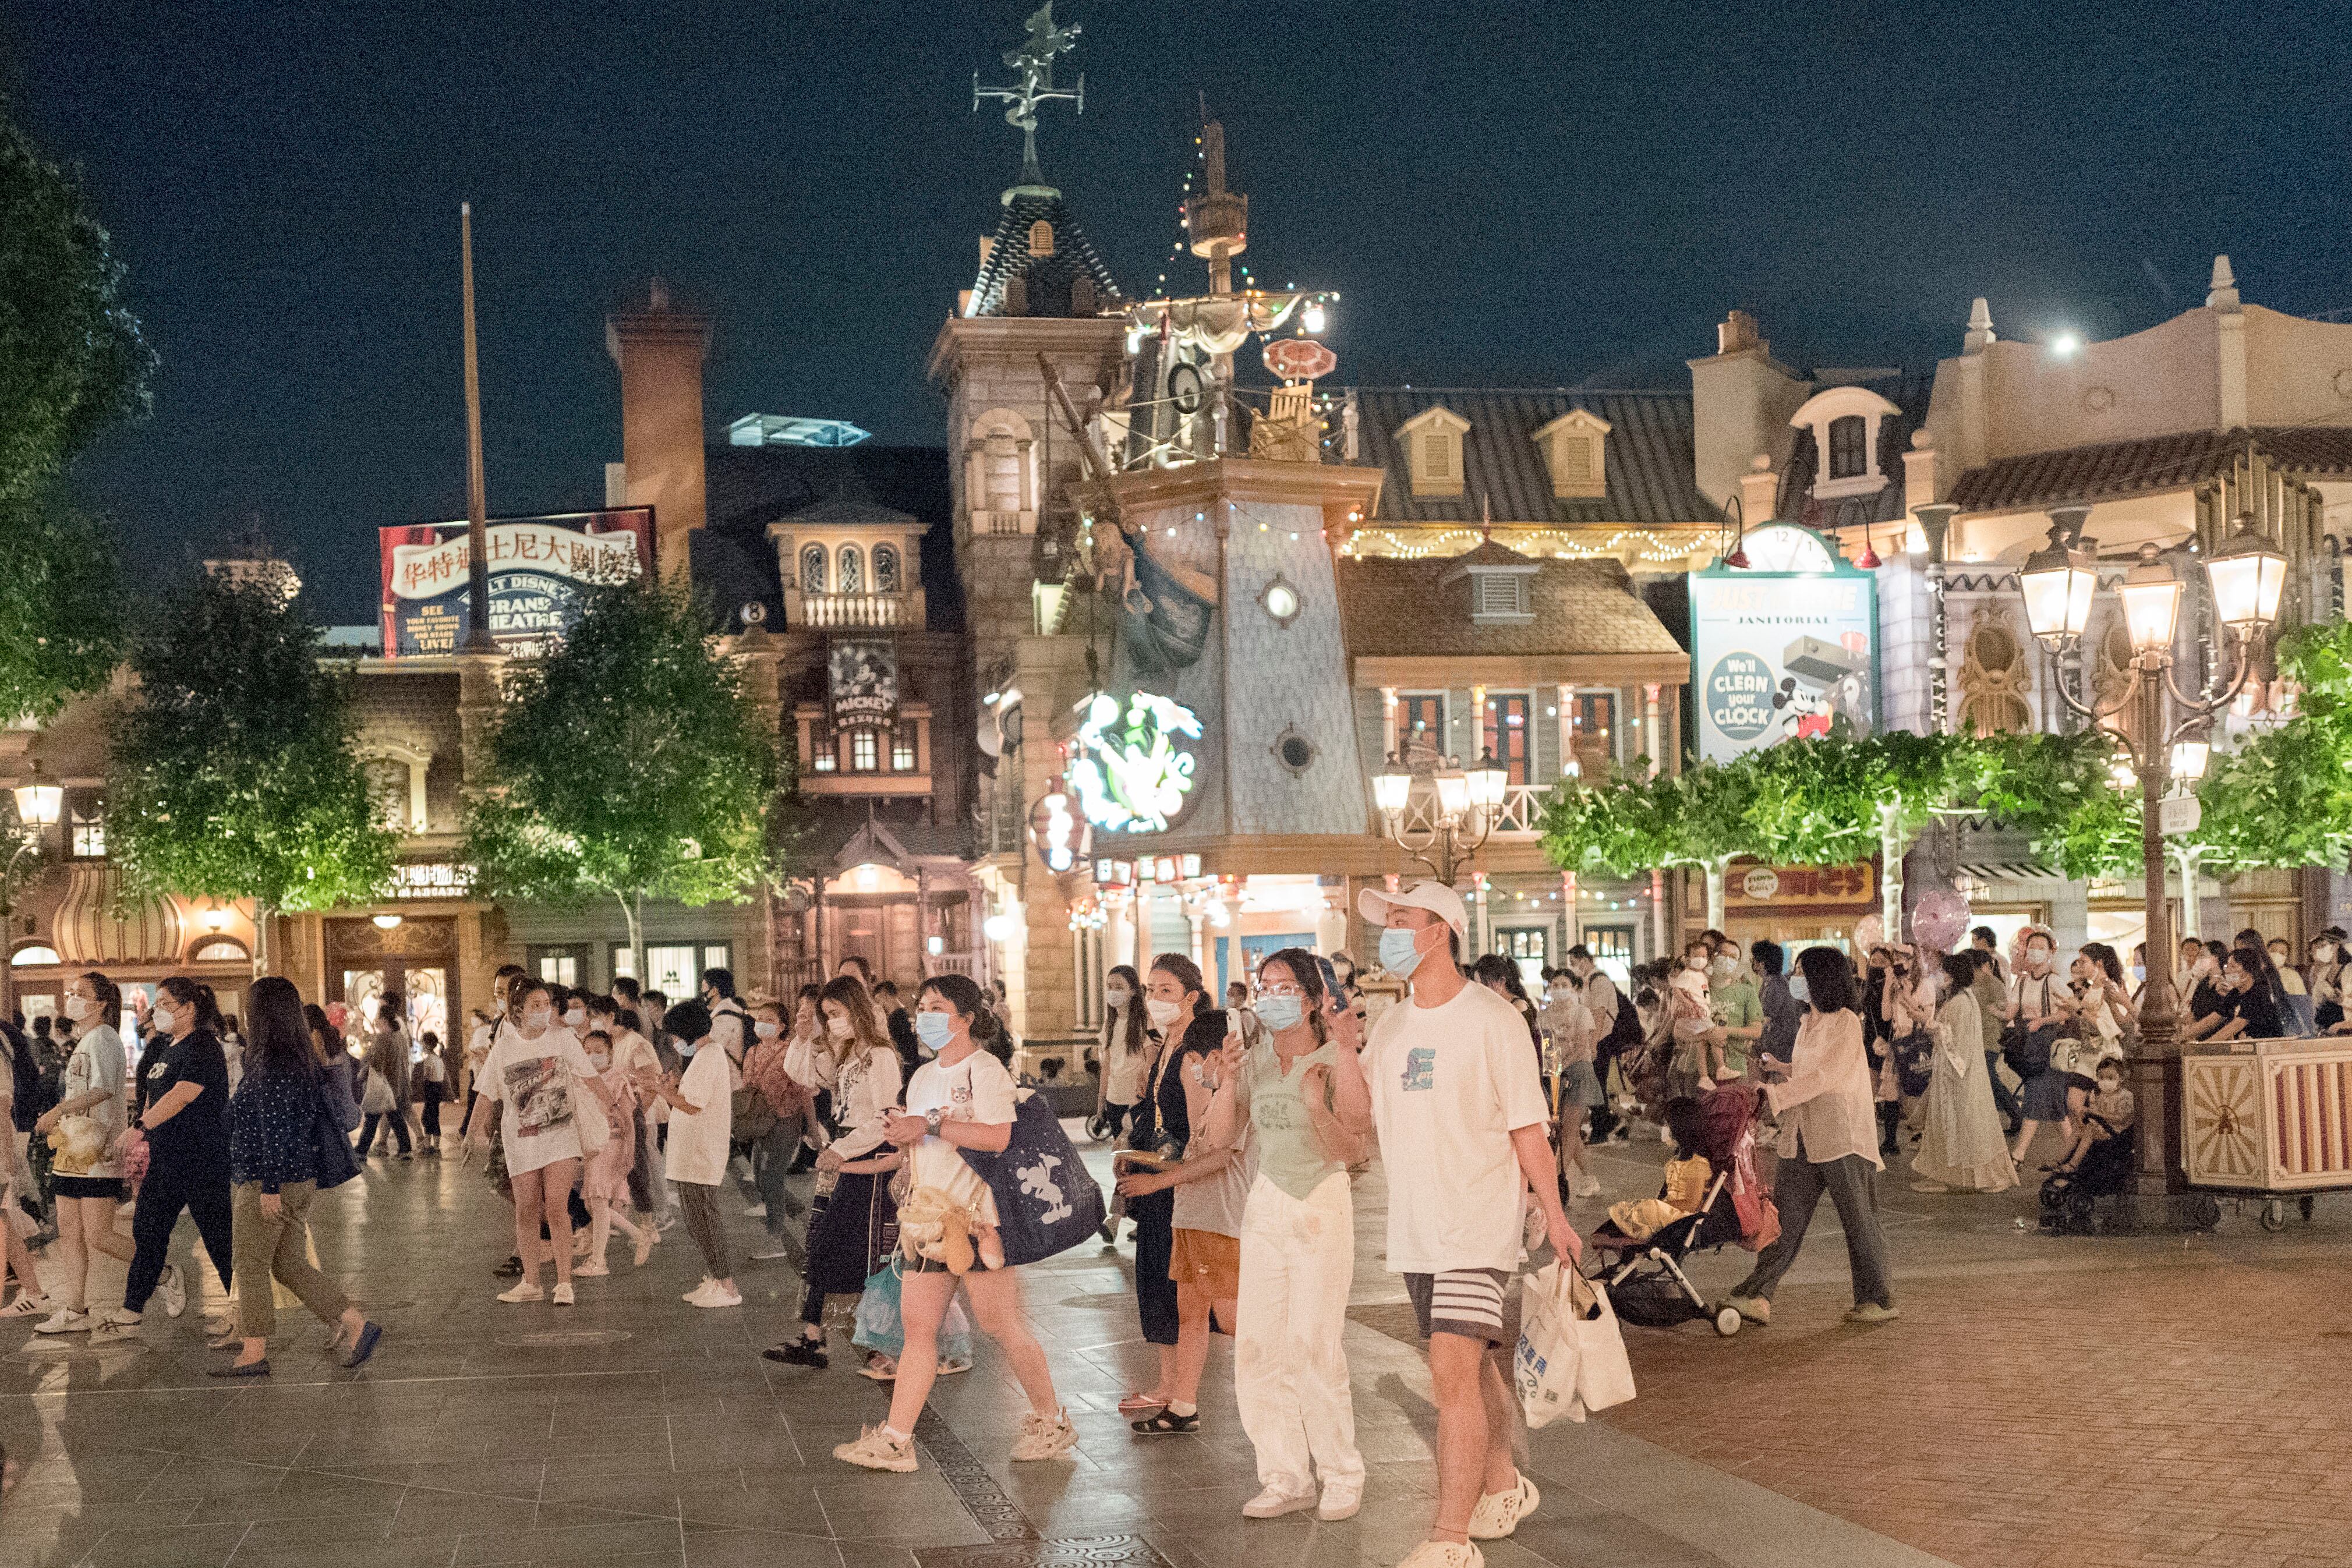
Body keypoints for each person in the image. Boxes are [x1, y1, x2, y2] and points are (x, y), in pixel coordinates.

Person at [1359, 882, 1579, 1568]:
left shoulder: (1493, 1019)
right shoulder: (1389, 1026)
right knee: (1475, 1364)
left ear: (1438, 931)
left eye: (1400, 920)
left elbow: (1526, 1126)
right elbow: (1358, 1119)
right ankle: (1503, 1477)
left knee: (1449, 1370)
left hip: (1478, 1225)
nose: (1388, 932)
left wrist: (1557, 1211)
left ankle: (1449, 1538)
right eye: (1386, 921)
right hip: (1416, 1229)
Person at [832, 973, 1077, 1472]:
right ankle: (898, 1439)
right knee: (917, 1328)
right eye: (922, 1004)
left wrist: (931, 1124)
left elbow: (998, 1138)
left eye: (937, 1005)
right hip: (926, 1217)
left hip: (976, 1218)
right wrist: (904, 1137)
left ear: (965, 1018)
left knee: (1000, 1324)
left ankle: (1051, 1419)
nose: (925, 1014)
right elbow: (923, 1140)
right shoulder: (922, 1075)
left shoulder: (985, 1070)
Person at [1194, 947, 1370, 1521]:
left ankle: (1340, 1471)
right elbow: (1218, 1142)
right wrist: (1223, 1082)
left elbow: (1354, 1149)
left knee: (1312, 1344)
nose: (1271, 995)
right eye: (1263, 986)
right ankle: (1284, 1473)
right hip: (1266, 1201)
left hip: (1320, 1198)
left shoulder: (1335, 1055)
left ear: (1317, 996)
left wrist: (1319, 1105)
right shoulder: (1259, 1058)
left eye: (1284, 986)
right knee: (1258, 1343)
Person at [1724, 946, 1897, 1329]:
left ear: (1821, 978)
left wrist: (1777, 1094)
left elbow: (1828, 1077)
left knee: (1859, 1220)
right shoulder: (1808, 1022)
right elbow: (1808, 1071)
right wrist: (1779, 1070)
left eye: (1801, 971)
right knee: (1783, 1219)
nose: (1795, 979)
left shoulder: (1846, 1022)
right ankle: (1757, 1293)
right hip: (1802, 1134)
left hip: (1842, 1136)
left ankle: (1876, 1298)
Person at [217, 976, 380, 1375]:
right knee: (288, 1264)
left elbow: (277, 1130)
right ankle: (356, 1324)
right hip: (298, 1177)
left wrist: (268, 1187)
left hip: (268, 1179)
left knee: (250, 1262)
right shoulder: (296, 1059)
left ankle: (254, 1350)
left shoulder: (271, 1064)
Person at [1116, 1000, 1250, 1438]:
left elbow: (1218, 1155)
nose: (1190, 1071)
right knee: (1189, 1309)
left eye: (1193, 1061)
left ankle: (1281, 1384)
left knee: (1232, 1316)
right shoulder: (1214, 1090)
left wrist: (1157, 1183)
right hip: (1190, 1213)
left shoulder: (1233, 1092)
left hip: (1218, 1215)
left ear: (1216, 1056)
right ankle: (1182, 1404)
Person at [762, 976, 903, 1365]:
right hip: (843, 1155)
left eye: (836, 1013)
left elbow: (887, 1117)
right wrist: (803, 1036)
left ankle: (881, 1344)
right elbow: (802, 1074)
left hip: (869, 1158)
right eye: (828, 1016)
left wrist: (842, 1150)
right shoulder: (847, 1055)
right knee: (824, 1245)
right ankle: (814, 1337)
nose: (833, 1022)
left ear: (857, 1010)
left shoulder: (879, 1055)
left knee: (865, 1251)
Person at [92, 977, 236, 1343]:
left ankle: (243, 1312)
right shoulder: (162, 1048)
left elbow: (182, 1095)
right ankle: (132, 1309)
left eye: (167, 1003)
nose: (158, 1010)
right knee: (148, 1232)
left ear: (189, 1008)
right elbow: (152, 1095)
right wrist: (141, 1135)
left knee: (219, 1239)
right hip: (165, 1159)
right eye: (158, 1003)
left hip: (203, 1159)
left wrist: (139, 1127)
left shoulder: (204, 1046)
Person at [468, 980, 608, 1306]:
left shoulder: (563, 1039)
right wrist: (470, 1133)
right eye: (536, 1005)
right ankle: (531, 1281)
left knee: (557, 1206)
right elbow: (487, 1092)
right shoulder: (504, 1048)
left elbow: (591, 1077)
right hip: (521, 1141)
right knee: (527, 1210)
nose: (544, 1011)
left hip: (561, 1138)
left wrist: (612, 1111)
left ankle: (564, 1282)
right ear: (518, 1010)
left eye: (547, 1004)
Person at [1115, 954, 1206, 1415]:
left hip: (1179, 1181)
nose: (1155, 998)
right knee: (1152, 1278)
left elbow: (1200, 1129)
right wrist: (1132, 1157)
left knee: (1179, 1287)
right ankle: (1166, 1382)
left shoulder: (1194, 1050)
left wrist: (1161, 1177)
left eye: (1166, 990)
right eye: (1150, 990)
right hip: (1154, 1174)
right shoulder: (1163, 1045)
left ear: (1191, 996)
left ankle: (1180, 1389)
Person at [31, 972, 137, 1335]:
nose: (72, 998)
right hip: (73, 1150)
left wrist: (58, 1111)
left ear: (101, 1003)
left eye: (81, 993)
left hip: (96, 1151)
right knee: (70, 1233)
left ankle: (161, 1271)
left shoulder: (104, 1038)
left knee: (99, 1235)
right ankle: (75, 1308)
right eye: (71, 992)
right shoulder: (84, 1040)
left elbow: (105, 1090)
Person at [635, 984, 740, 1308]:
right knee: (698, 1222)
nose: (675, 1043)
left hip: (700, 1153)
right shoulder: (705, 1057)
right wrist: (672, 1087)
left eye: (676, 1036)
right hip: (692, 1152)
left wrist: (662, 1091)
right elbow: (693, 1097)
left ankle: (727, 1286)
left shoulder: (710, 1056)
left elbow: (693, 1105)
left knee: (705, 1221)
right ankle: (716, 1277)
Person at [1906, 953, 2017, 1194]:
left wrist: (1927, 1021)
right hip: (1952, 1075)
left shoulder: (1961, 1002)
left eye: (1945, 972)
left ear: (1954, 974)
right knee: (1950, 1127)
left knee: (1967, 1127)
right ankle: (1943, 1176)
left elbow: (1954, 1040)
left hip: (1957, 1076)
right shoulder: (1963, 999)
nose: (1941, 976)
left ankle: (1991, 1176)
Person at [2001, 929, 2071, 1165]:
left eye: (2041, 947)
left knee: (2035, 1096)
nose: (2035, 951)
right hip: (2029, 1048)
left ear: (2050, 952)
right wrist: (1995, 1012)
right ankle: (2075, 1154)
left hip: (2048, 1048)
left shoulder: (2054, 981)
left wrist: (2043, 1020)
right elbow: (2011, 1011)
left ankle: (2018, 1155)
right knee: (2056, 1104)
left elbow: (2070, 1009)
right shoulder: (2021, 982)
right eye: (2032, 946)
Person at [1541, 969, 1603, 1199]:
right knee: (1566, 1130)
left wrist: (1561, 1067)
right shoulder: (1544, 1015)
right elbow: (1548, 1048)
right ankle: (1589, 1177)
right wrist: (1552, 1072)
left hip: (1578, 1072)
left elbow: (1580, 1048)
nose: (1558, 988)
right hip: (1555, 1076)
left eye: (1563, 984)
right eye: (1555, 985)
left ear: (1575, 987)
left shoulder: (1582, 1013)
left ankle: (1557, 1180)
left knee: (1569, 1130)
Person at [1568, 946, 1635, 1142]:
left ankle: (1602, 1129)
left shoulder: (1599, 981)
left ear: (1584, 960)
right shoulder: (1590, 981)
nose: (1574, 968)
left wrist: (1594, 1043)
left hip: (1602, 1039)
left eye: (1574, 963)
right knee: (1595, 1085)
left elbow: (1599, 1013)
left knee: (1596, 1085)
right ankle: (1603, 1125)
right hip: (1597, 1039)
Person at [2050, 1060, 2136, 1174]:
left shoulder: (2125, 1097)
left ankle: (2073, 1164)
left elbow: (2121, 1119)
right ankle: (2058, 1161)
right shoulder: (2101, 1096)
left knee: (2089, 1131)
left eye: (2110, 1078)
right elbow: (2094, 1113)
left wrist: (2099, 1115)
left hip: (2117, 1132)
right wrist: (2085, 1113)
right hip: (2101, 1128)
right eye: (2101, 1078)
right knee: (2078, 1130)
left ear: (2121, 1079)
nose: (2105, 1082)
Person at [1095, 965, 1150, 1141]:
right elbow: (1107, 1066)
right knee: (1121, 1156)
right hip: (1114, 1099)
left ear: (1133, 990)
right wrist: (1101, 1102)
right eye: (1110, 987)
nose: (1113, 992)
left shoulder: (1146, 1022)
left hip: (1136, 1100)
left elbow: (1151, 1061)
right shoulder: (1109, 1023)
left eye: (1119, 987)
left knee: (1136, 1154)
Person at [359, 994, 415, 1160]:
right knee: (394, 1117)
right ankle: (405, 1149)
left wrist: (365, 1067)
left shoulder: (383, 1037)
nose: (376, 1020)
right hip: (396, 1082)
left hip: (383, 1084)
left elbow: (376, 1062)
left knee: (373, 1116)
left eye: (377, 1017)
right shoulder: (399, 1037)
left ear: (383, 1020)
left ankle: (361, 1151)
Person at [2204, 948, 2285, 1042]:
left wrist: (2203, 1046)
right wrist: (2185, 1035)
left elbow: (2235, 1026)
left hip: (2266, 1049)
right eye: (2227, 966)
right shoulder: (2236, 992)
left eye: (2233, 967)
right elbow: (2216, 1018)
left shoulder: (2259, 994)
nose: (2227, 971)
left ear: (2247, 973)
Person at [1753, 940, 1801, 1075]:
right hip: (1778, 1048)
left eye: (1754, 959)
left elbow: (1766, 1018)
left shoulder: (1774, 985)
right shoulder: (1773, 982)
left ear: (1761, 963)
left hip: (1779, 1050)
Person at [415, 1030, 448, 1154]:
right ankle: (436, 1146)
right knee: (435, 1117)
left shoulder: (429, 1060)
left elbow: (427, 1077)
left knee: (428, 1118)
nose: (422, 1046)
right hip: (438, 1090)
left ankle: (428, 1145)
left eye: (422, 1044)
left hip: (431, 1089)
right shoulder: (439, 1059)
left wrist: (420, 1086)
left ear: (427, 1045)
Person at [1226, 981, 1266, 1050]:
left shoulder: (1245, 1015)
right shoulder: (1235, 1013)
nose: (1229, 997)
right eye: (1228, 994)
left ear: (1242, 997)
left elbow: (1248, 1040)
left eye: (1232, 995)